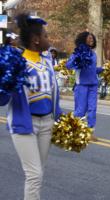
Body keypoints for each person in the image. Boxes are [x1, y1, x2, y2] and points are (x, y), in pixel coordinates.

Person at [0, 13, 62, 200]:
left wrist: (59, 118)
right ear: (36, 40)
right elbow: (2, 100)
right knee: (34, 174)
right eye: (45, 36)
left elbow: (54, 93)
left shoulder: (47, 61)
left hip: (46, 124)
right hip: (24, 124)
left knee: (38, 173)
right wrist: (7, 83)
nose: (47, 39)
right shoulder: (17, 62)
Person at [66, 31, 103, 142]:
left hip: (93, 85)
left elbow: (92, 70)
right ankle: (73, 130)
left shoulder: (93, 54)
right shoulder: (78, 53)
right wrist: (77, 59)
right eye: (89, 38)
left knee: (92, 109)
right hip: (81, 85)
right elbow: (69, 65)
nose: (91, 39)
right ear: (83, 40)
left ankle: (89, 132)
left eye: (92, 38)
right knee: (80, 110)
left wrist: (102, 69)